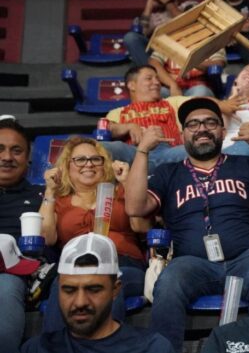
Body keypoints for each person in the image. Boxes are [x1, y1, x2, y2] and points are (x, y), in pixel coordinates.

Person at [123, 97, 249, 352]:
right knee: (168, 284)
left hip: (246, 259)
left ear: (223, 131)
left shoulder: (245, 164)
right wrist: (142, 151)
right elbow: (135, 207)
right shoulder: (168, 172)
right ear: (182, 134)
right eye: (193, 124)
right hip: (191, 262)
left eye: (211, 122)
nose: (202, 128)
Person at [39, 136, 150, 332]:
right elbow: (46, 238)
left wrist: (127, 183)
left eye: (95, 159)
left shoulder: (119, 192)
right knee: (62, 283)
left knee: (110, 283)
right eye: (80, 159)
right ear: (67, 166)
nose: (88, 165)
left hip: (123, 263)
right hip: (75, 266)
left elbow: (141, 226)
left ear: (104, 164)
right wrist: (50, 191)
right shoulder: (60, 201)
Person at [21, 233, 174, 353]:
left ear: (115, 289)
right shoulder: (36, 349)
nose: (80, 302)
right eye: (69, 290)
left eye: (93, 290)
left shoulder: (151, 348)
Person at [0, 119, 43, 353]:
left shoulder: (41, 197)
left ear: (28, 159)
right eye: (0, 149)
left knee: (5, 286)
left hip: (12, 275)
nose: (7, 157)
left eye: (16, 151)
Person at [101, 65, 189, 170]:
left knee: (200, 149)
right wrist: (129, 126)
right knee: (98, 148)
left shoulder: (172, 102)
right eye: (149, 78)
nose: (157, 82)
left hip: (170, 152)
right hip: (133, 153)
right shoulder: (118, 112)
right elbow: (105, 129)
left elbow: (211, 103)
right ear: (132, 85)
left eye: (157, 79)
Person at [124, 0, 197, 66]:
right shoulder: (153, 16)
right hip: (158, 55)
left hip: (183, 50)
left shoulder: (189, 5)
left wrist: (167, 1)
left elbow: (185, 21)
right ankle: (152, 73)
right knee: (130, 37)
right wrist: (149, 7)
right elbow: (139, 34)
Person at [148, 45, 225, 98]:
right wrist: (172, 84)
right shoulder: (169, 39)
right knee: (153, 92)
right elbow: (153, 63)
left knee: (201, 92)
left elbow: (217, 64)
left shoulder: (212, 39)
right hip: (170, 87)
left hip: (199, 86)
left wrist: (190, 61)